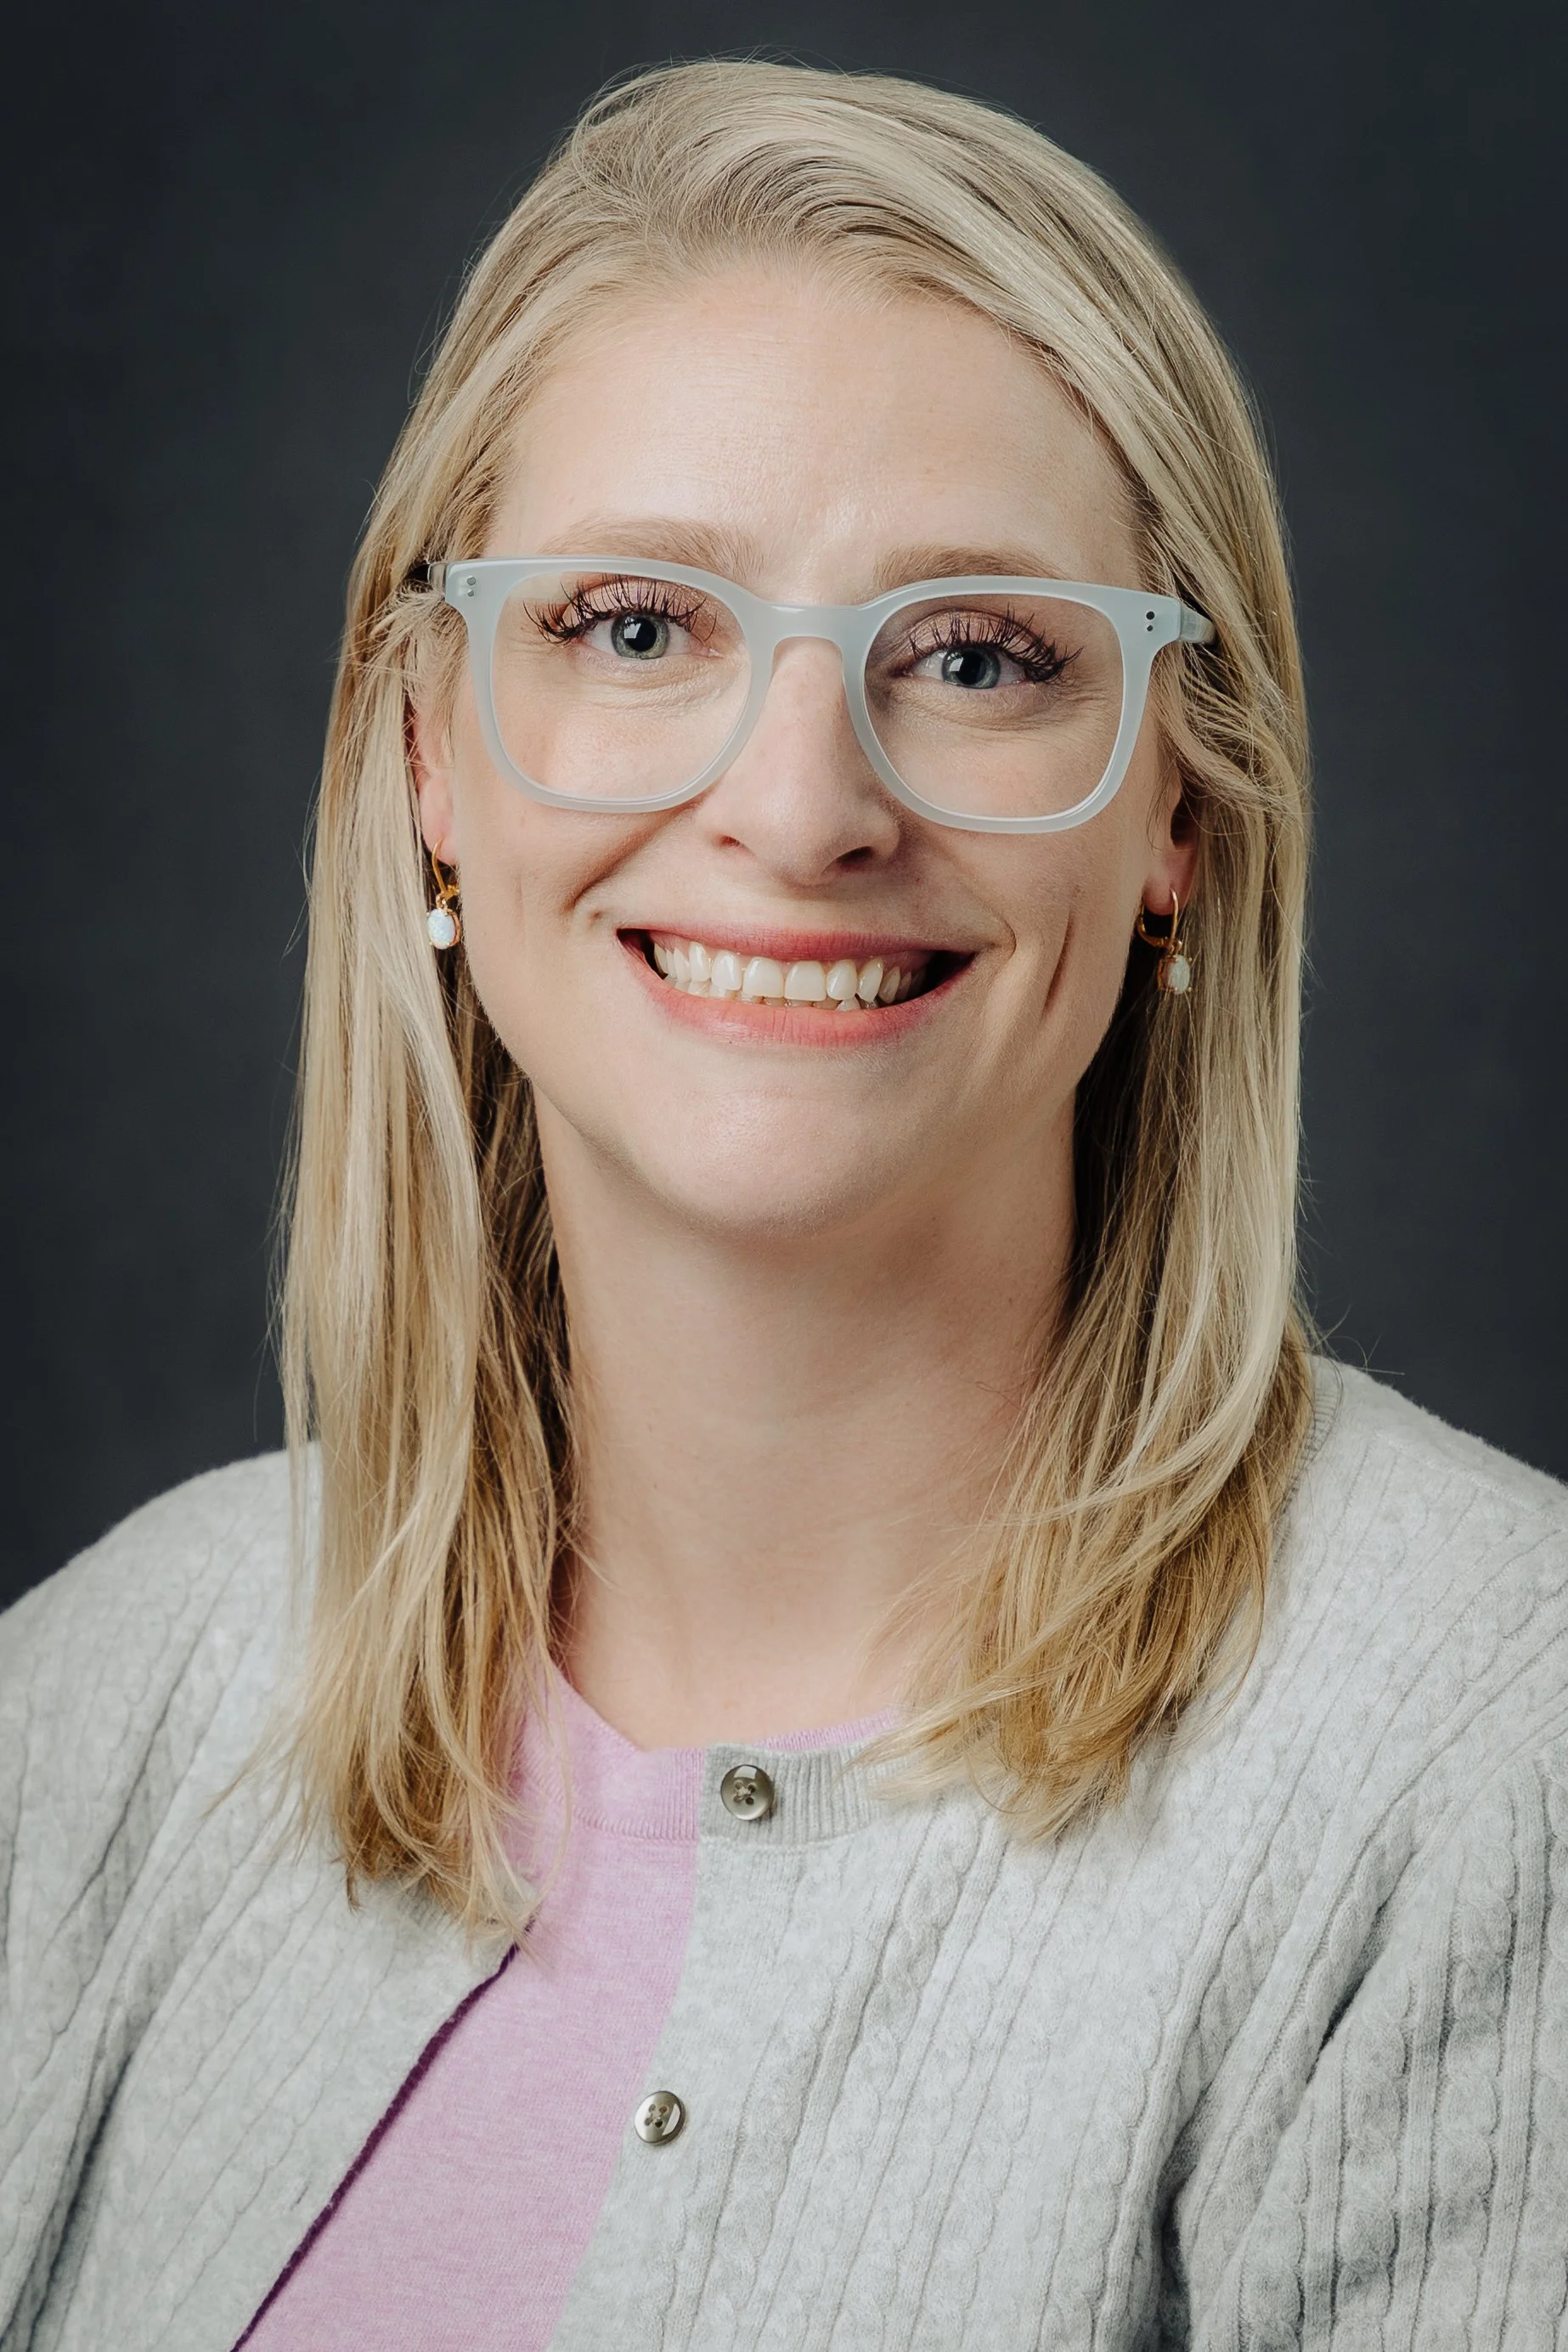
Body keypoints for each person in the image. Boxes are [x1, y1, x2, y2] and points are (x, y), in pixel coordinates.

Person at [3, 58, 1565, 2352]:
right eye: (637, 626)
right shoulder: (96, 1706)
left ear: (1179, 817)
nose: (803, 802)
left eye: (976, 657)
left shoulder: (1485, 1758)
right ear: (428, 752)